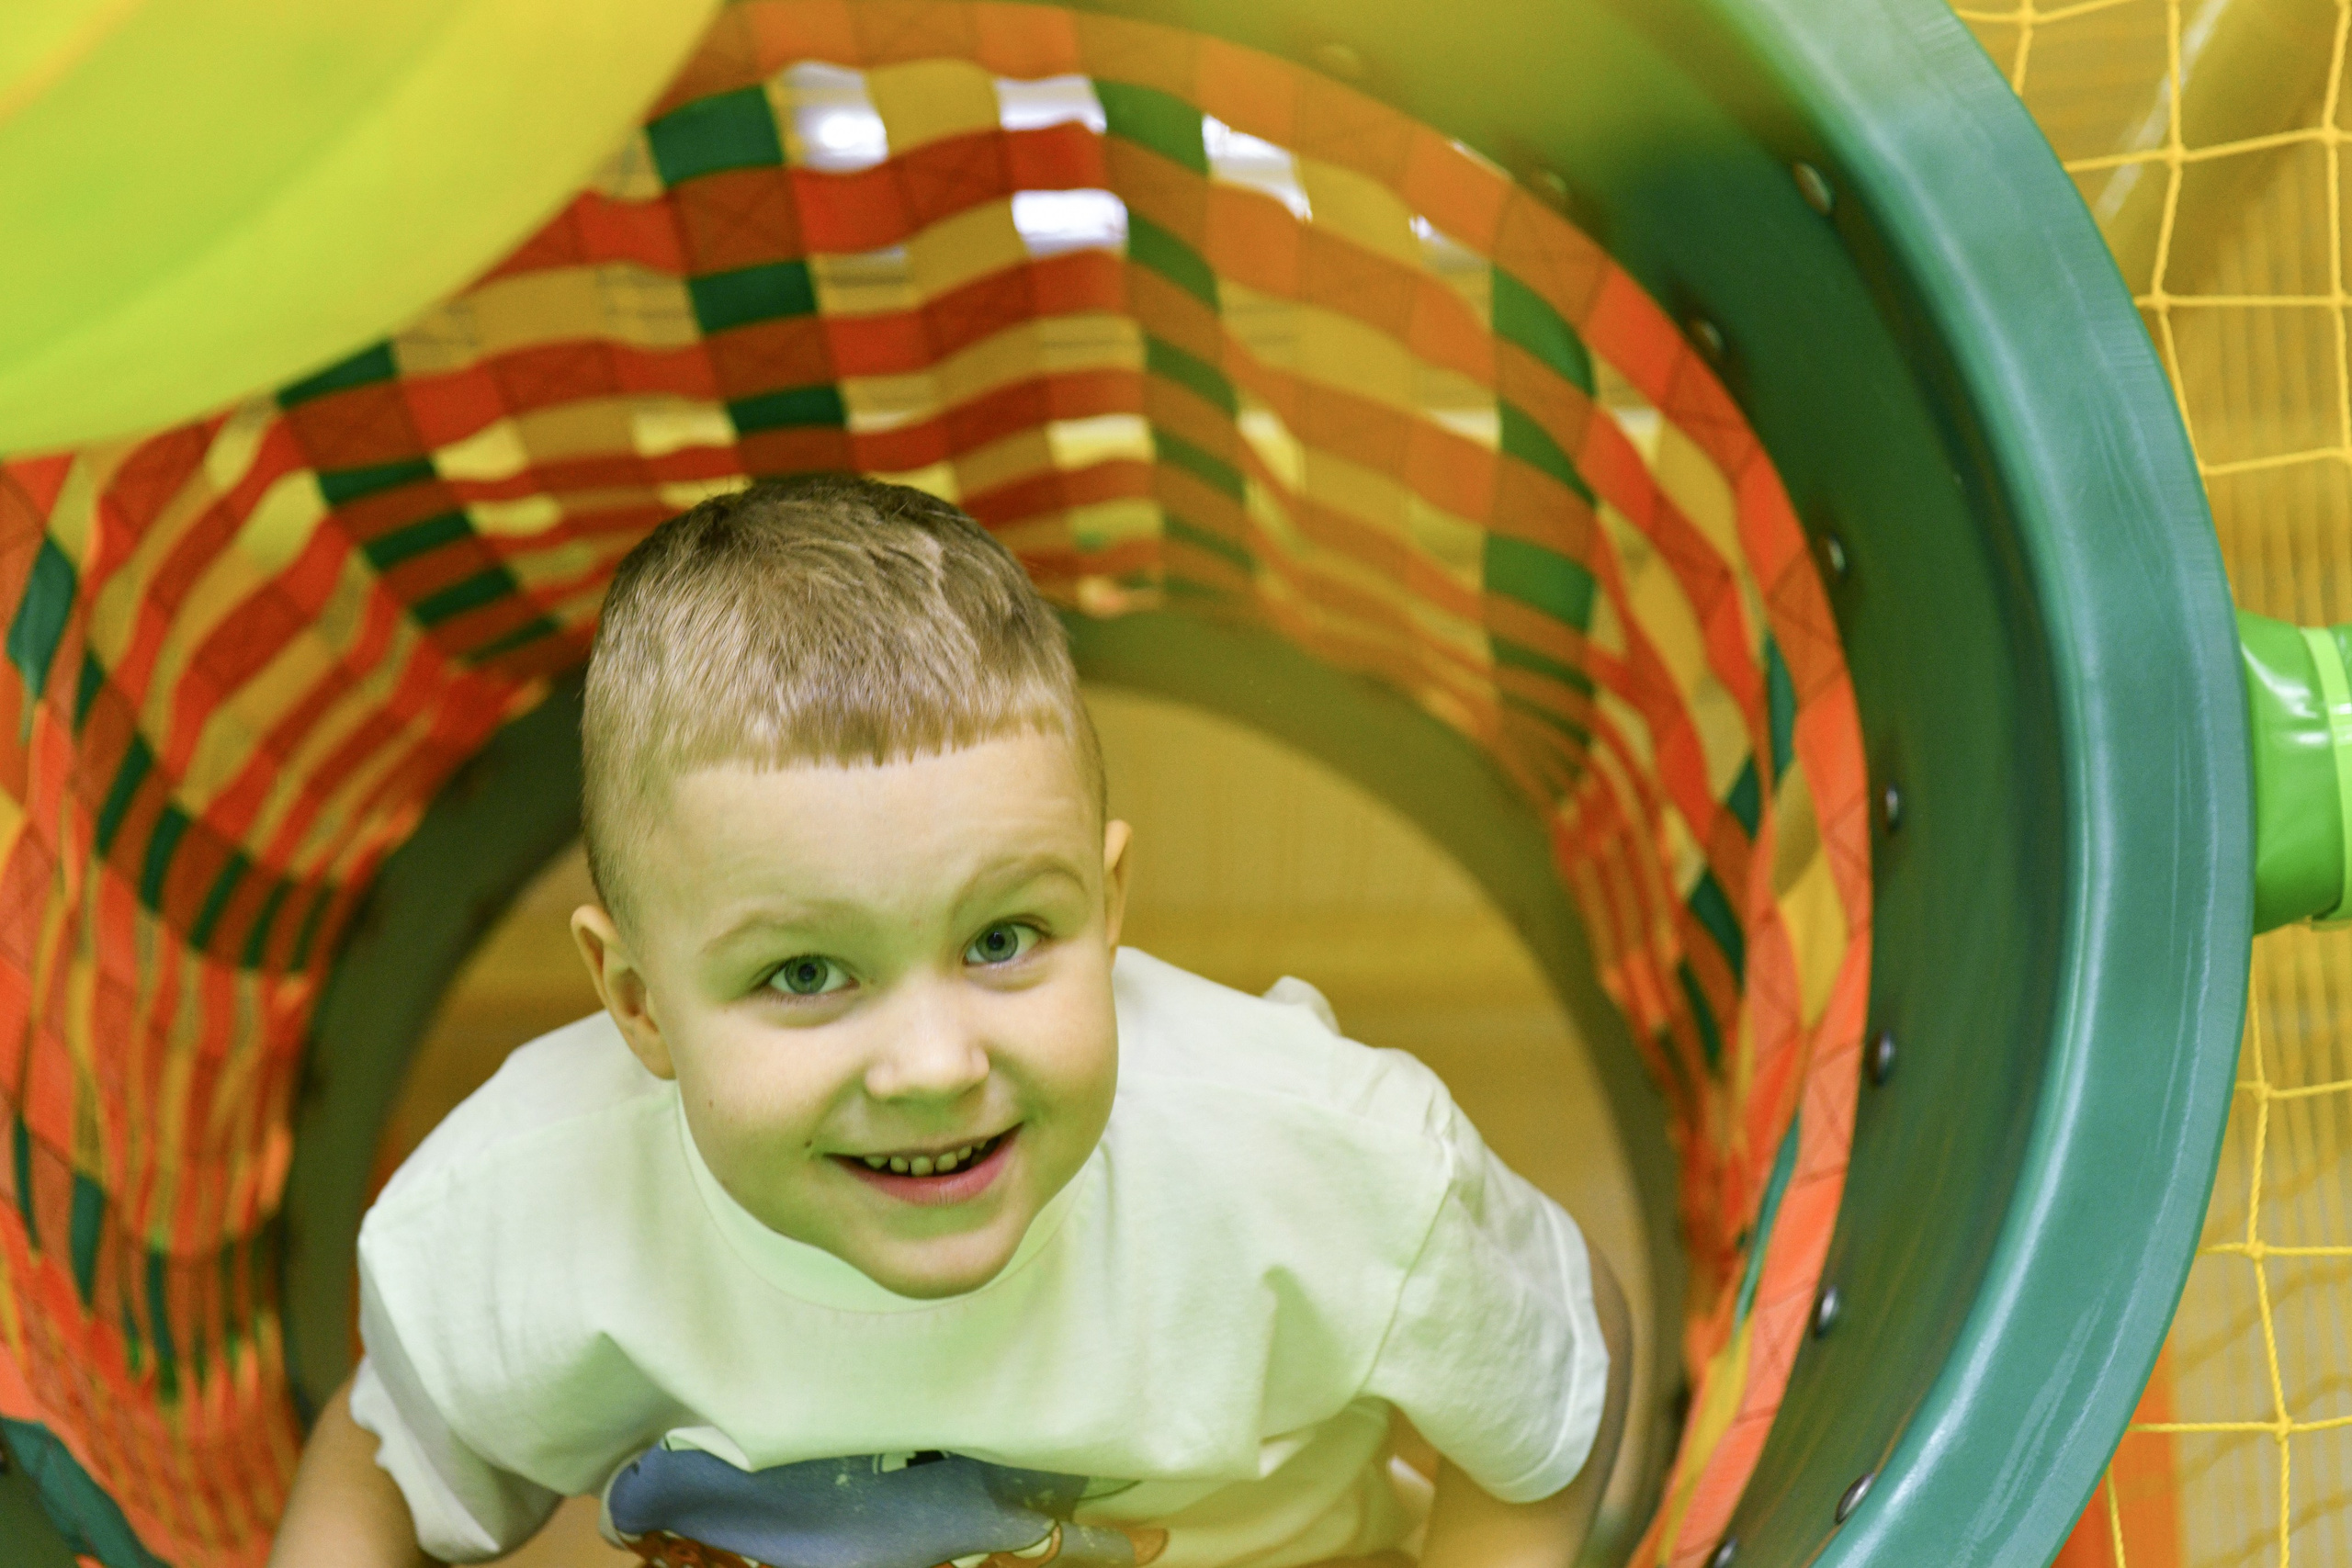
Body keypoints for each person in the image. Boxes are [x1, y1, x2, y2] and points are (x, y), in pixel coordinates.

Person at [266, 475, 1631, 1568]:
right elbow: (386, 1451)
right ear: (638, 1006)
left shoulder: (1307, 1163)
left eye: (1001, 940)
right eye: (806, 975)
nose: (933, 1067)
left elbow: (1564, 1365)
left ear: (1107, 907)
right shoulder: (533, 1207)